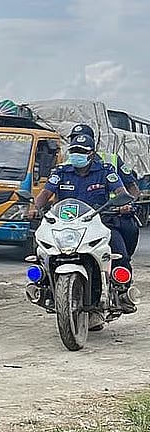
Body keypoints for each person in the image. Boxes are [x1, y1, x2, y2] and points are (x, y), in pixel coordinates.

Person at [28, 131, 136, 312]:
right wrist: (33, 208)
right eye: (74, 151)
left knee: (119, 253)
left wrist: (124, 204)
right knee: (40, 250)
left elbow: (120, 192)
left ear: (91, 154)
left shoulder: (105, 170)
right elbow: (45, 193)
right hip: (64, 225)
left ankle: (122, 294)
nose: (76, 155)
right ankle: (44, 288)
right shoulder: (61, 171)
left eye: (82, 151)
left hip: (99, 222)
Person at [69, 123, 140, 259]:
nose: (78, 143)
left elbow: (132, 187)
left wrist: (127, 204)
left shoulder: (110, 162)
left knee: (126, 235)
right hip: (72, 219)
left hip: (107, 215)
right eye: (74, 139)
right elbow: (50, 194)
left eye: (83, 139)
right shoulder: (65, 165)